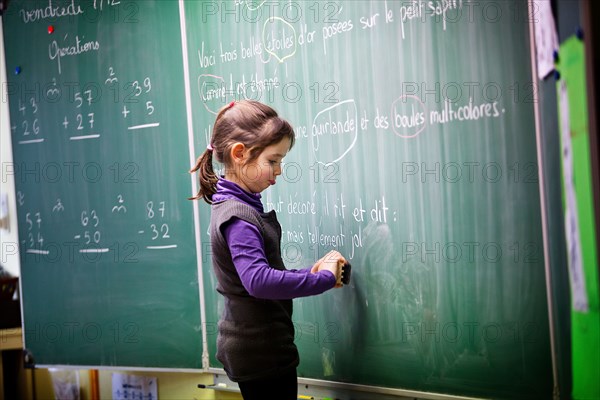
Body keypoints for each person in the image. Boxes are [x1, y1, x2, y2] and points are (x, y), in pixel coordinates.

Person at [190, 100, 347, 400]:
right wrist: (323, 280)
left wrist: (310, 272)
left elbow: (259, 274)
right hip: (261, 353)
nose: (279, 171)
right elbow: (259, 281)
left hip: (258, 349)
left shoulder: (236, 205)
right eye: (273, 161)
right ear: (239, 154)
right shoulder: (238, 216)